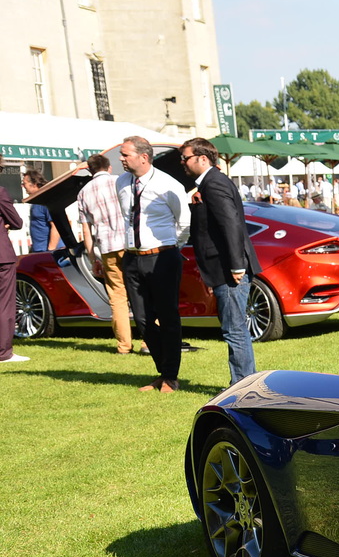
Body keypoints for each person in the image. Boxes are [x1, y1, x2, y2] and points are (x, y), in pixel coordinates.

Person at [180, 138, 258, 387]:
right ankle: (244, 383)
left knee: (234, 330)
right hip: (223, 268)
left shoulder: (214, 183)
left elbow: (231, 224)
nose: (182, 163)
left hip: (229, 269)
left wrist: (236, 266)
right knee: (234, 329)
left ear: (202, 159)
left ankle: (242, 386)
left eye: (185, 158)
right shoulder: (210, 184)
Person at [118, 134, 188, 393]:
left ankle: (171, 376)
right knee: (143, 320)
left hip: (162, 256)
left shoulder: (167, 184)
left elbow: (184, 222)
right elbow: (127, 218)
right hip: (132, 258)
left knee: (168, 318)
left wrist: (171, 248)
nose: (121, 159)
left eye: (125, 155)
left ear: (144, 157)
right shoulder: (122, 183)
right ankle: (163, 371)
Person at [75, 153, 135, 354]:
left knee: (117, 297)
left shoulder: (83, 192)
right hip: (131, 245)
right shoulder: (121, 182)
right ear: (109, 167)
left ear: (89, 170)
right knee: (143, 292)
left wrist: (93, 259)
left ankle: (124, 345)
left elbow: (86, 231)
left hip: (108, 248)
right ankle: (149, 341)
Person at [0, 156, 26, 364]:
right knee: (5, 303)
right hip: (1, 256)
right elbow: (16, 221)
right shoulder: (0, 191)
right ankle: (4, 352)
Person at [21, 171, 60, 254]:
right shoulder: (37, 201)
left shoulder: (45, 201)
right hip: (39, 250)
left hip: (48, 251)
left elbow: (56, 226)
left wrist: (51, 250)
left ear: (34, 184)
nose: (23, 186)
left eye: (24, 183)